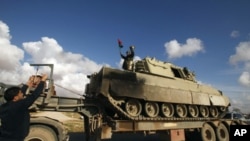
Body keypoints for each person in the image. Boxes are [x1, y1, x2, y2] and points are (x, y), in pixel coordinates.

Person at [0, 74, 48, 141]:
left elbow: (19, 95)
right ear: (15, 98)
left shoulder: (3, 107)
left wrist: (27, 84)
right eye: (20, 93)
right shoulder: (20, 105)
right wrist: (42, 81)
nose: (22, 94)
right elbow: (34, 95)